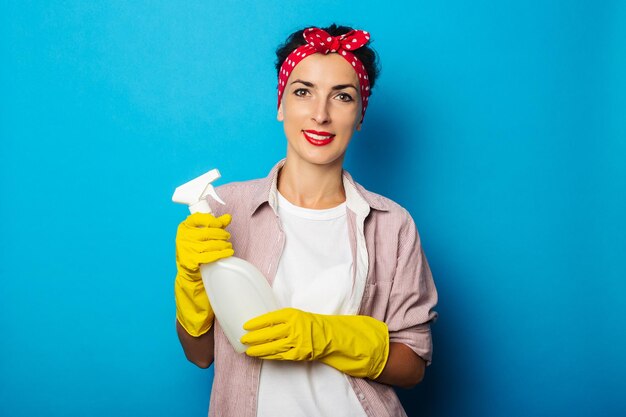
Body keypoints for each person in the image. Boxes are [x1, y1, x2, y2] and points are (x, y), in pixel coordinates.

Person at [173, 24, 438, 417]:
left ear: (360, 114)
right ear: (281, 104)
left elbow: (413, 366)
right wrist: (191, 283)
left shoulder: (392, 224)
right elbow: (200, 356)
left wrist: (326, 336)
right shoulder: (224, 210)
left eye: (342, 97)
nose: (320, 114)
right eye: (303, 91)